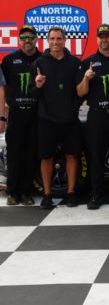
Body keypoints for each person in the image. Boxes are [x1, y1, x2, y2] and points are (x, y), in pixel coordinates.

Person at [30, 26, 82, 209]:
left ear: (65, 40)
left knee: (72, 156)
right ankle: (47, 194)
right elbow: (32, 94)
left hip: (69, 120)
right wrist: (37, 86)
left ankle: (70, 193)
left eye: (59, 39)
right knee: (46, 157)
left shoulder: (75, 63)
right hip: (46, 119)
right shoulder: (38, 63)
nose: (55, 42)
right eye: (52, 39)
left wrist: (72, 108)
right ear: (47, 40)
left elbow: (80, 93)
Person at [76, 24, 109, 210]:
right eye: (101, 36)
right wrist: (86, 78)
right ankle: (96, 194)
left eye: (107, 36)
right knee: (96, 157)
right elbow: (80, 93)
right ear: (97, 39)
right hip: (97, 117)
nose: (104, 40)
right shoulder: (88, 62)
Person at [1, 24, 41, 206]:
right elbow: (3, 89)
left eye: (30, 37)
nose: (27, 41)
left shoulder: (43, 59)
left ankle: (26, 192)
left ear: (36, 39)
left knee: (31, 154)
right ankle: (12, 192)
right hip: (16, 114)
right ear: (19, 40)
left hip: (36, 114)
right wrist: (3, 114)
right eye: (24, 38)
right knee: (14, 154)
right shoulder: (9, 60)